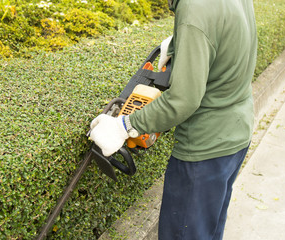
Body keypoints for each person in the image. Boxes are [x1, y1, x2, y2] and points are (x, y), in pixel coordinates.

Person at [89, 0, 257, 239]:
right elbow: (229, 34)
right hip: (235, 136)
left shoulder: (194, 7)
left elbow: (183, 100)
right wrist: (183, 44)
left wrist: (125, 126)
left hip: (204, 152)